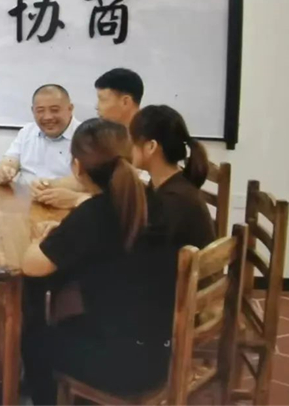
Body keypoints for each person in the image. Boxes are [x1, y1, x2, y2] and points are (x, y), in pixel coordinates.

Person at [21, 119, 178, 404]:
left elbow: (32, 266)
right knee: (65, 309)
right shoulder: (150, 199)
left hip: (122, 365)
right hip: (160, 352)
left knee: (34, 339)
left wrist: (36, 241)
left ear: (77, 167)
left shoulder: (93, 214)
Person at [32, 68, 146, 209]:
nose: (97, 107)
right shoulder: (108, 136)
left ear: (125, 102)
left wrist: (78, 199)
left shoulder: (148, 139)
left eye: (102, 100)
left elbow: (139, 195)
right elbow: (91, 177)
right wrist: (48, 185)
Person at [130, 105, 215, 249]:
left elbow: (146, 249)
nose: (130, 148)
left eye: (133, 142)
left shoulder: (173, 201)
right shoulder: (166, 185)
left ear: (151, 147)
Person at [0, 84, 80, 186]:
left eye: (54, 110)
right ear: (33, 111)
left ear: (70, 109)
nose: (47, 117)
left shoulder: (87, 136)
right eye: (40, 111)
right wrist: (3, 169)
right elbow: (10, 160)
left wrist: (51, 185)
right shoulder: (27, 131)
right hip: (24, 194)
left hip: (63, 194)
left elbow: (88, 182)